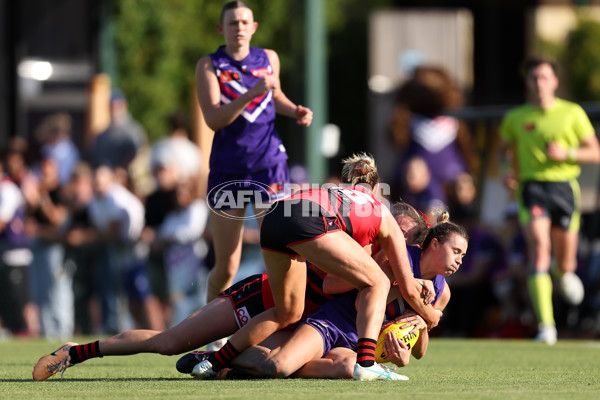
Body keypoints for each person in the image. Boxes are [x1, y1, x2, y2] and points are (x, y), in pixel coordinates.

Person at [31, 198, 428, 381]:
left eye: (408, 242)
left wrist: (418, 314)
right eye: (402, 234)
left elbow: (404, 334)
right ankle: (77, 351)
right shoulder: (361, 247)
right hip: (262, 298)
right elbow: (332, 282)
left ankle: (219, 361)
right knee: (169, 342)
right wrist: (398, 287)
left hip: (298, 319)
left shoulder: (389, 265)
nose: (400, 246)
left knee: (308, 365)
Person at [193, 153, 441, 381]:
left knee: (331, 364)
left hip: (334, 326)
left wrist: (417, 321)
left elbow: (412, 351)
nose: (399, 240)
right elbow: (332, 285)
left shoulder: (433, 281)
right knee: (279, 362)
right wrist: (426, 312)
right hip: (322, 317)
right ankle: (215, 359)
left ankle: (218, 361)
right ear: (376, 190)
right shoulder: (370, 222)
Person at [213, 218, 468, 380]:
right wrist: (410, 290)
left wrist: (420, 325)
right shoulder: (402, 261)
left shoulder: (443, 291)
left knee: (348, 370)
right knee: (279, 366)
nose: (459, 260)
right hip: (334, 323)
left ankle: (251, 368)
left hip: (356, 343)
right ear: (434, 245)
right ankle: (216, 359)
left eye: (463, 256)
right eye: (456, 251)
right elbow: (362, 303)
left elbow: (420, 352)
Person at [195, 1, 313, 311]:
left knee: (279, 253)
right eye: (232, 23)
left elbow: (276, 97)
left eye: (245, 22)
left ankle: (286, 321)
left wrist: (295, 110)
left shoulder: (268, 58)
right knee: (227, 265)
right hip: (228, 169)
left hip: (269, 166)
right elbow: (213, 119)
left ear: (254, 27)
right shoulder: (209, 65)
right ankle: (209, 331)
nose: (239, 28)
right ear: (222, 29)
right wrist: (250, 93)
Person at [499, 56, 600, 345]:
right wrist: (508, 172)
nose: (539, 83)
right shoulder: (515, 118)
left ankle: (564, 272)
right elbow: (503, 152)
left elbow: (595, 152)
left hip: (564, 188)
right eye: (534, 78)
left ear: (555, 81)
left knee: (565, 262)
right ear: (528, 82)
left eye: (544, 77)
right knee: (540, 249)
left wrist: (566, 154)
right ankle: (546, 326)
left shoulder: (572, 113)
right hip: (532, 188)